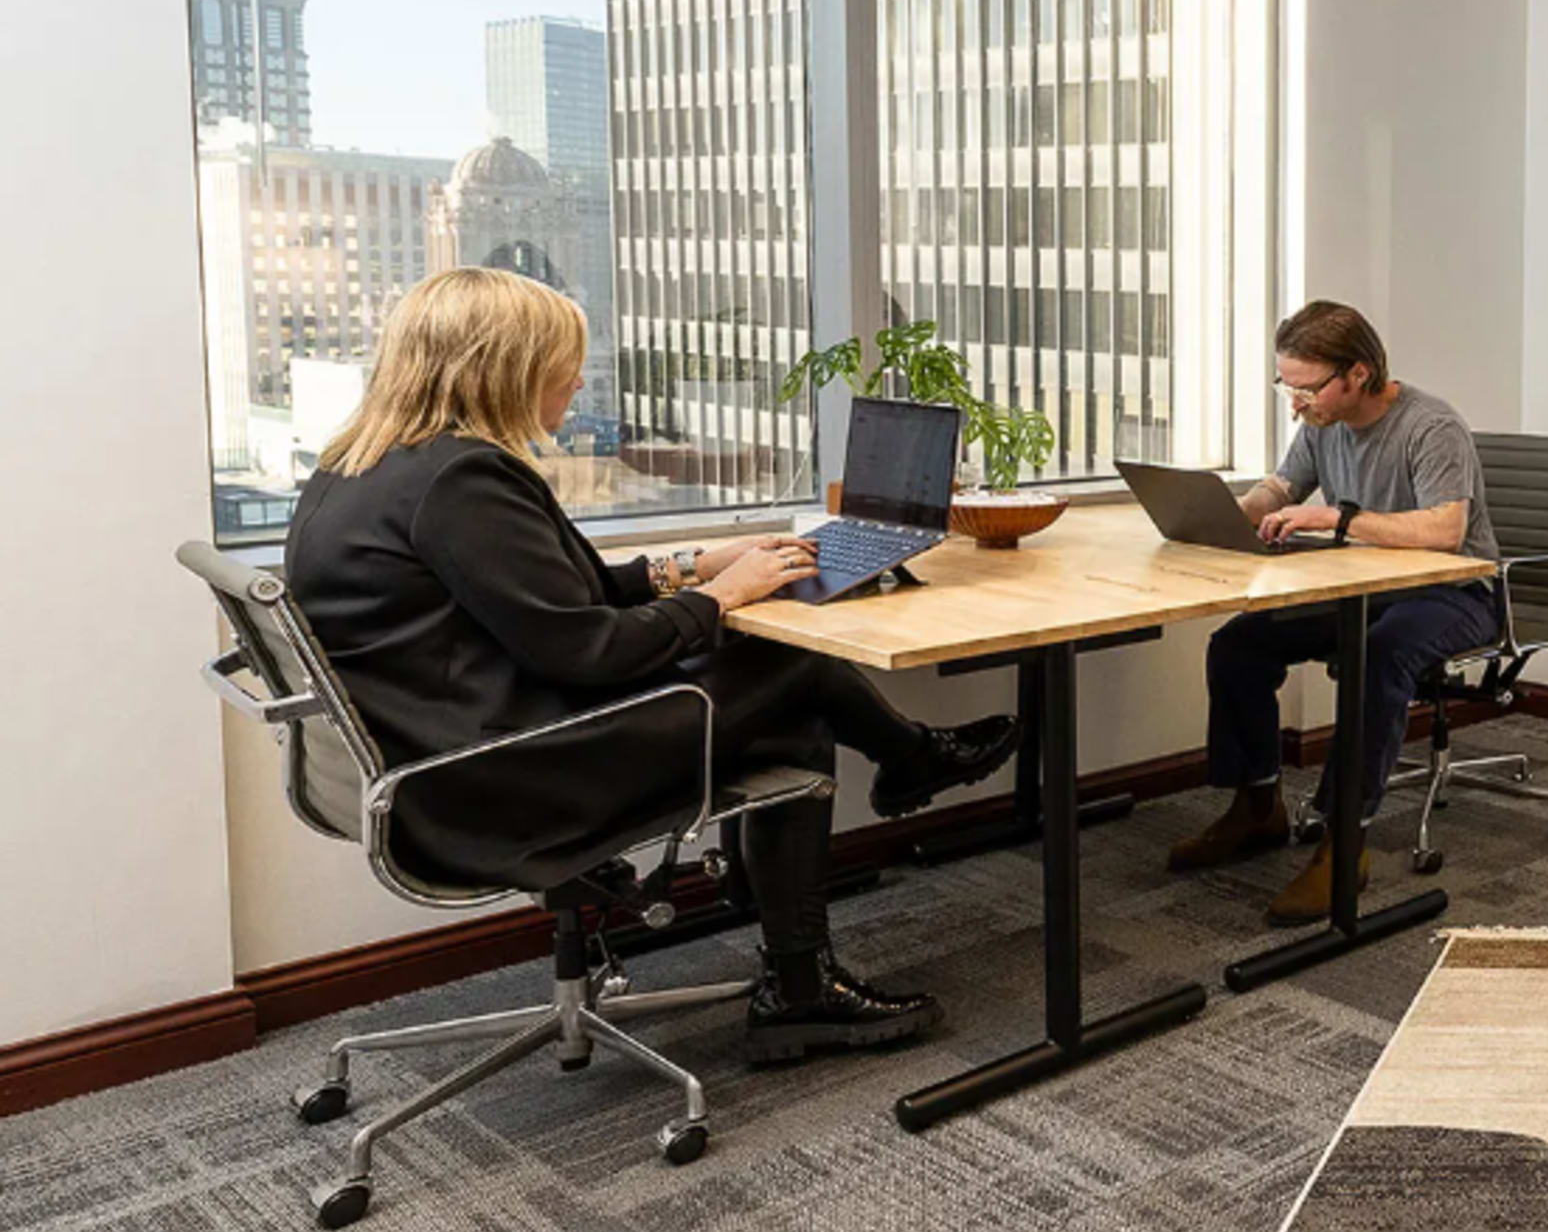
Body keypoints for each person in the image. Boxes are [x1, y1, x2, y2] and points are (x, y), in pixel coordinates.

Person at [284, 268, 1014, 1062]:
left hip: (443, 761)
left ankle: (845, 893)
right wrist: (726, 597)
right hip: (505, 779)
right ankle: (898, 785)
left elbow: (552, 598)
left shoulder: (364, 468)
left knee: (777, 698)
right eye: (563, 362)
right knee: (791, 671)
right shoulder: (461, 479)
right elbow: (589, 649)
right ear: (505, 366)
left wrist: (697, 565)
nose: (574, 380)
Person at [1166, 300, 1506, 918]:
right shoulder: (1321, 424)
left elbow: (1446, 531)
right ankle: (1257, 806)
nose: (1296, 403)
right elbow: (1282, 485)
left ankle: (1344, 842)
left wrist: (1337, 517)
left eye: (1306, 389)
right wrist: (1234, 512)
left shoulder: (1431, 426)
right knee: (1239, 644)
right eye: (1286, 386)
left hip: (1457, 592)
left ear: (1357, 373)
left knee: (1379, 655)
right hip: (1362, 589)